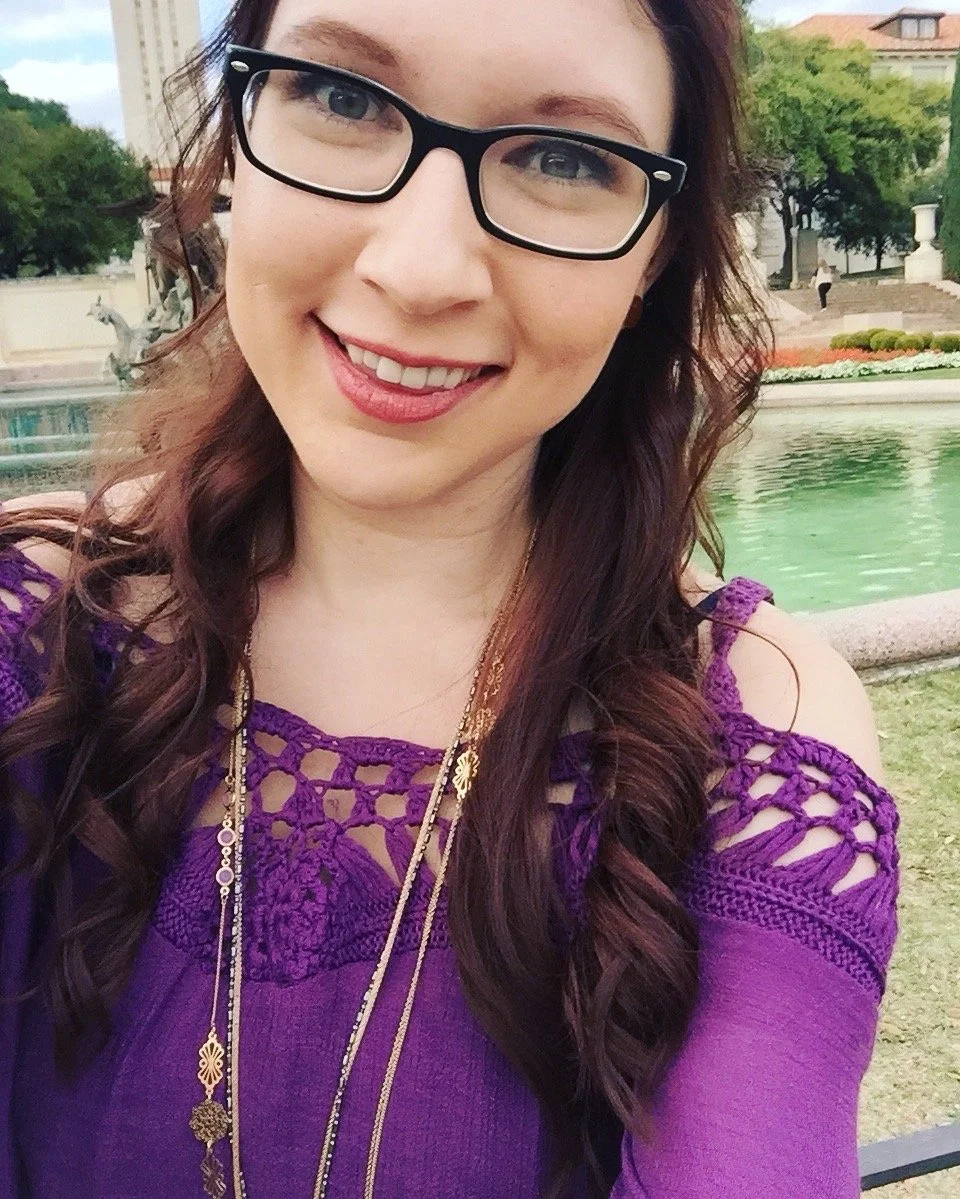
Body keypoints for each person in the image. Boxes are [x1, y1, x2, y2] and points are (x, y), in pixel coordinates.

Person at [0, 2, 899, 1197]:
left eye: (565, 158)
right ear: (233, 141)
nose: (418, 271)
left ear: (656, 252)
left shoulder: (756, 730)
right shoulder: (35, 622)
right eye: (343, 98)